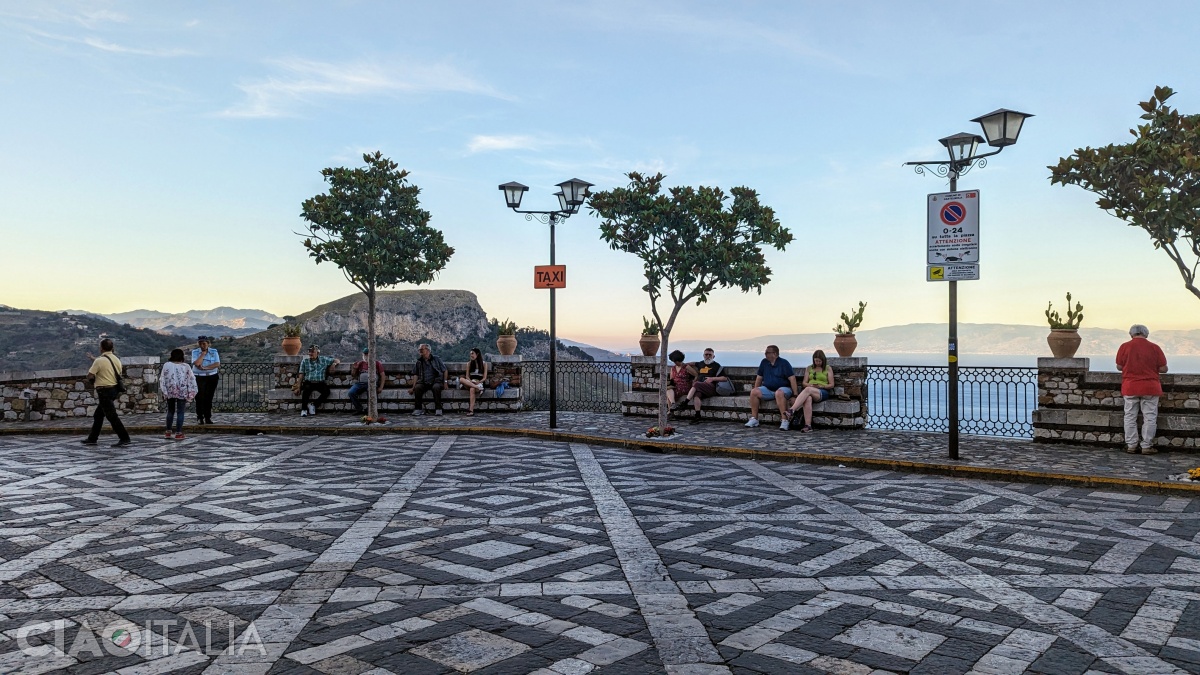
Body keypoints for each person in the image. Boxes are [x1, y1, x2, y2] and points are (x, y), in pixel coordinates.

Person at [1116, 324, 1168, 454]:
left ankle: (1131, 445)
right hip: (1150, 387)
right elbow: (1163, 369)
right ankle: (1146, 446)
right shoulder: (1154, 347)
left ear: (1131, 334)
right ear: (1146, 334)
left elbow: (1119, 366)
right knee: (1150, 417)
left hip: (1130, 386)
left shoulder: (1124, 346)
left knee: (1129, 416)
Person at [82, 338, 132, 447]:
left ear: (101, 348)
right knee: (98, 415)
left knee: (112, 416)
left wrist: (92, 380)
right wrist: (93, 359)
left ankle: (124, 438)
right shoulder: (116, 359)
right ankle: (92, 438)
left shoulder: (99, 361)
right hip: (114, 390)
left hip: (104, 391)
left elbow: (90, 375)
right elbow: (108, 366)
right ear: (112, 348)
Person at [782, 350, 835, 432]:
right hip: (810, 389)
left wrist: (820, 386)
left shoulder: (827, 368)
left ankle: (792, 410)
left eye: (819, 361)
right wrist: (810, 385)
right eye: (816, 361)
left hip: (822, 391)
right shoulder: (809, 368)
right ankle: (808, 425)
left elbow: (831, 384)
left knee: (808, 390)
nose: (817, 363)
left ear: (823, 360)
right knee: (808, 398)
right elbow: (804, 383)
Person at [745, 345, 796, 428]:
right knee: (754, 392)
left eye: (768, 352)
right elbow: (759, 378)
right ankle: (754, 419)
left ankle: (785, 420)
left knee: (779, 393)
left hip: (784, 389)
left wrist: (795, 395)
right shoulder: (764, 362)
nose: (765, 354)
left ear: (775, 354)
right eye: (765, 352)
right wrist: (756, 388)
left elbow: (792, 379)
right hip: (768, 389)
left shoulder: (784, 363)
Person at [681, 348, 729, 424]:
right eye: (706, 354)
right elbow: (694, 363)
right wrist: (684, 364)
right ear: (703, 355)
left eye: (710, 355)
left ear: (714, 356)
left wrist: (712, 378)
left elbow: (724, 378)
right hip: (701, 387)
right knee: (697, 395)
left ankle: (685, 403)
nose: (708, 356)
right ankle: (697, 415)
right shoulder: (700, 364)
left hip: (711, 387)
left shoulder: (716, 366)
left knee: (696, 384)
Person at [160, 349, 198, 439]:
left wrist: (164, 391)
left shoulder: (166, 365)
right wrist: (191, 393)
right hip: (182, 391)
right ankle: (178, 433)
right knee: (180, 412)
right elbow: (191, 379)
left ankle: (168, 432)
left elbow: (162, 379)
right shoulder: (186, 366)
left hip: (170, 391)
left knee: (170, 411)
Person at [297, 345, 340, 417]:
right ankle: (304, 409)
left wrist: (334, 364)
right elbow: (301, 374)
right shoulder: (305, 361)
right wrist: (298, 386)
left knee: (327, 392)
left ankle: (313, 405)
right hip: (309, 382)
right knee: (306, 391)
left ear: (317, 353)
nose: (310, 354)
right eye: (309, 352)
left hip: (320, 382)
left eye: (312, 352)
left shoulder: (324, 360)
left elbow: (337, 360)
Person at [410, 343, 447, 416]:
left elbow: (445, 370)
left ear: (428, 350)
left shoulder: (436, 359)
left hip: (436, 381)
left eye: (421, 349)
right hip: (423, 382)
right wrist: (413, 387)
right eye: (419, 350)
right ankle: (418, 409)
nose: (420, 351)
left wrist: (445, 382)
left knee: (436, 387)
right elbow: (416, 374)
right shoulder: (419, 361)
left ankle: (438, 409)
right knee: (418, 388)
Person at [191, 336, 220, 425]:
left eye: (204, 343)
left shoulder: (214, 352)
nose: (202, 345)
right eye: (200, 343)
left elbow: (217, 364)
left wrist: (205, 368)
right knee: (199, 397)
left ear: (208, 343)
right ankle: (200, 417)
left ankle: (208, 417)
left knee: (209, 397)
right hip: (199, 377)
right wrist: (203, 354)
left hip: (212, 377)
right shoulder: (195, 352)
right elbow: (196, 363)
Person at [349, 347, 386, 416]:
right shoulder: (360, 363)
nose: (366, 356)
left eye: (368, 354)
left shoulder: (377, 363)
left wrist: (381, 387)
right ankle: (359, 408)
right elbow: (353, 375)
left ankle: (370, 410)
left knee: (371, 391)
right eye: (365, 354)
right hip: (360, 384)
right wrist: (354, 369)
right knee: (351, 392)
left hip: (372, 383)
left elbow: (383, 376)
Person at [665, 350, 697, 415]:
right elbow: (671, 379)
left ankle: (670, 411)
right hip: (675, 385)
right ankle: (672, 405)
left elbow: (696, 374)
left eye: (676, 361)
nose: (675, 363)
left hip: (684, 386)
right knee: (668, 390)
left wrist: (694, 381)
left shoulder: (686, 367)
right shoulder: (673, 368)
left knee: (669, 393)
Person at [460, 347, 488, 416]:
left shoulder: (484, 364)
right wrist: (471, 382)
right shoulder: (469, 364)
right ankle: (477, 387)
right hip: (471, 382)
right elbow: (467, 376)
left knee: (472, 389)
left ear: (477, 354)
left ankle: (471, 410)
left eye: (472, 353)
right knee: (461, 379)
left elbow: (484, 377)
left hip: (479, 383)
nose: (471, 355)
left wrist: (479, 382)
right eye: (470, 354)